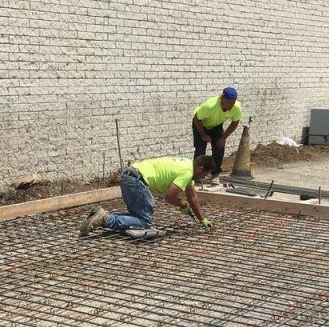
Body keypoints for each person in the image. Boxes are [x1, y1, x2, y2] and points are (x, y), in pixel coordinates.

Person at [79, 155, 214, 236]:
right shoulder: (187, 172)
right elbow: (169, 196)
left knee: (136, 217)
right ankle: (105, 219)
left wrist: (202, 219)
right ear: (201, 169)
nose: (203, 178)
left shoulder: (187, 163)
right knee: (145, 221)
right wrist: (181, 204)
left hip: (129, 176)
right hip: (138, 181)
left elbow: (192, 196)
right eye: (204, 175)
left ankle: (100, 214)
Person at [192, 86, 243, 187]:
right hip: (200, 125)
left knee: (219, 147)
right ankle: (196, 175)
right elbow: (197, 119)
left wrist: (223, 137)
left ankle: (215, 174)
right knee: (200, 149)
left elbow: (235, 122)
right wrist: (203, 134)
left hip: (216, 126)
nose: (231, 105)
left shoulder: (237, 107)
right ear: (222, 98)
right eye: (228, 102)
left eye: (232, 102)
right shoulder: (209, 106)